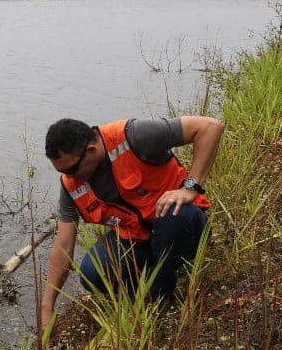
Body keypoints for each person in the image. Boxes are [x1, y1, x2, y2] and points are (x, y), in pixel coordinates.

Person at [41, 116, 224, 332]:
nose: (68, 177)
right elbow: (63, 244)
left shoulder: (134, 136)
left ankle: (158, 298)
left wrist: (190, 188)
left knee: (173, 217)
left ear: (91, 150)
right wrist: (47, 305)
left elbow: (210, 127)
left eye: (70, 169)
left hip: (182, 224)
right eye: (61, 172)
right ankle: (142, 288)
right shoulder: (71, 186)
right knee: (93, 272)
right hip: (137, 239)